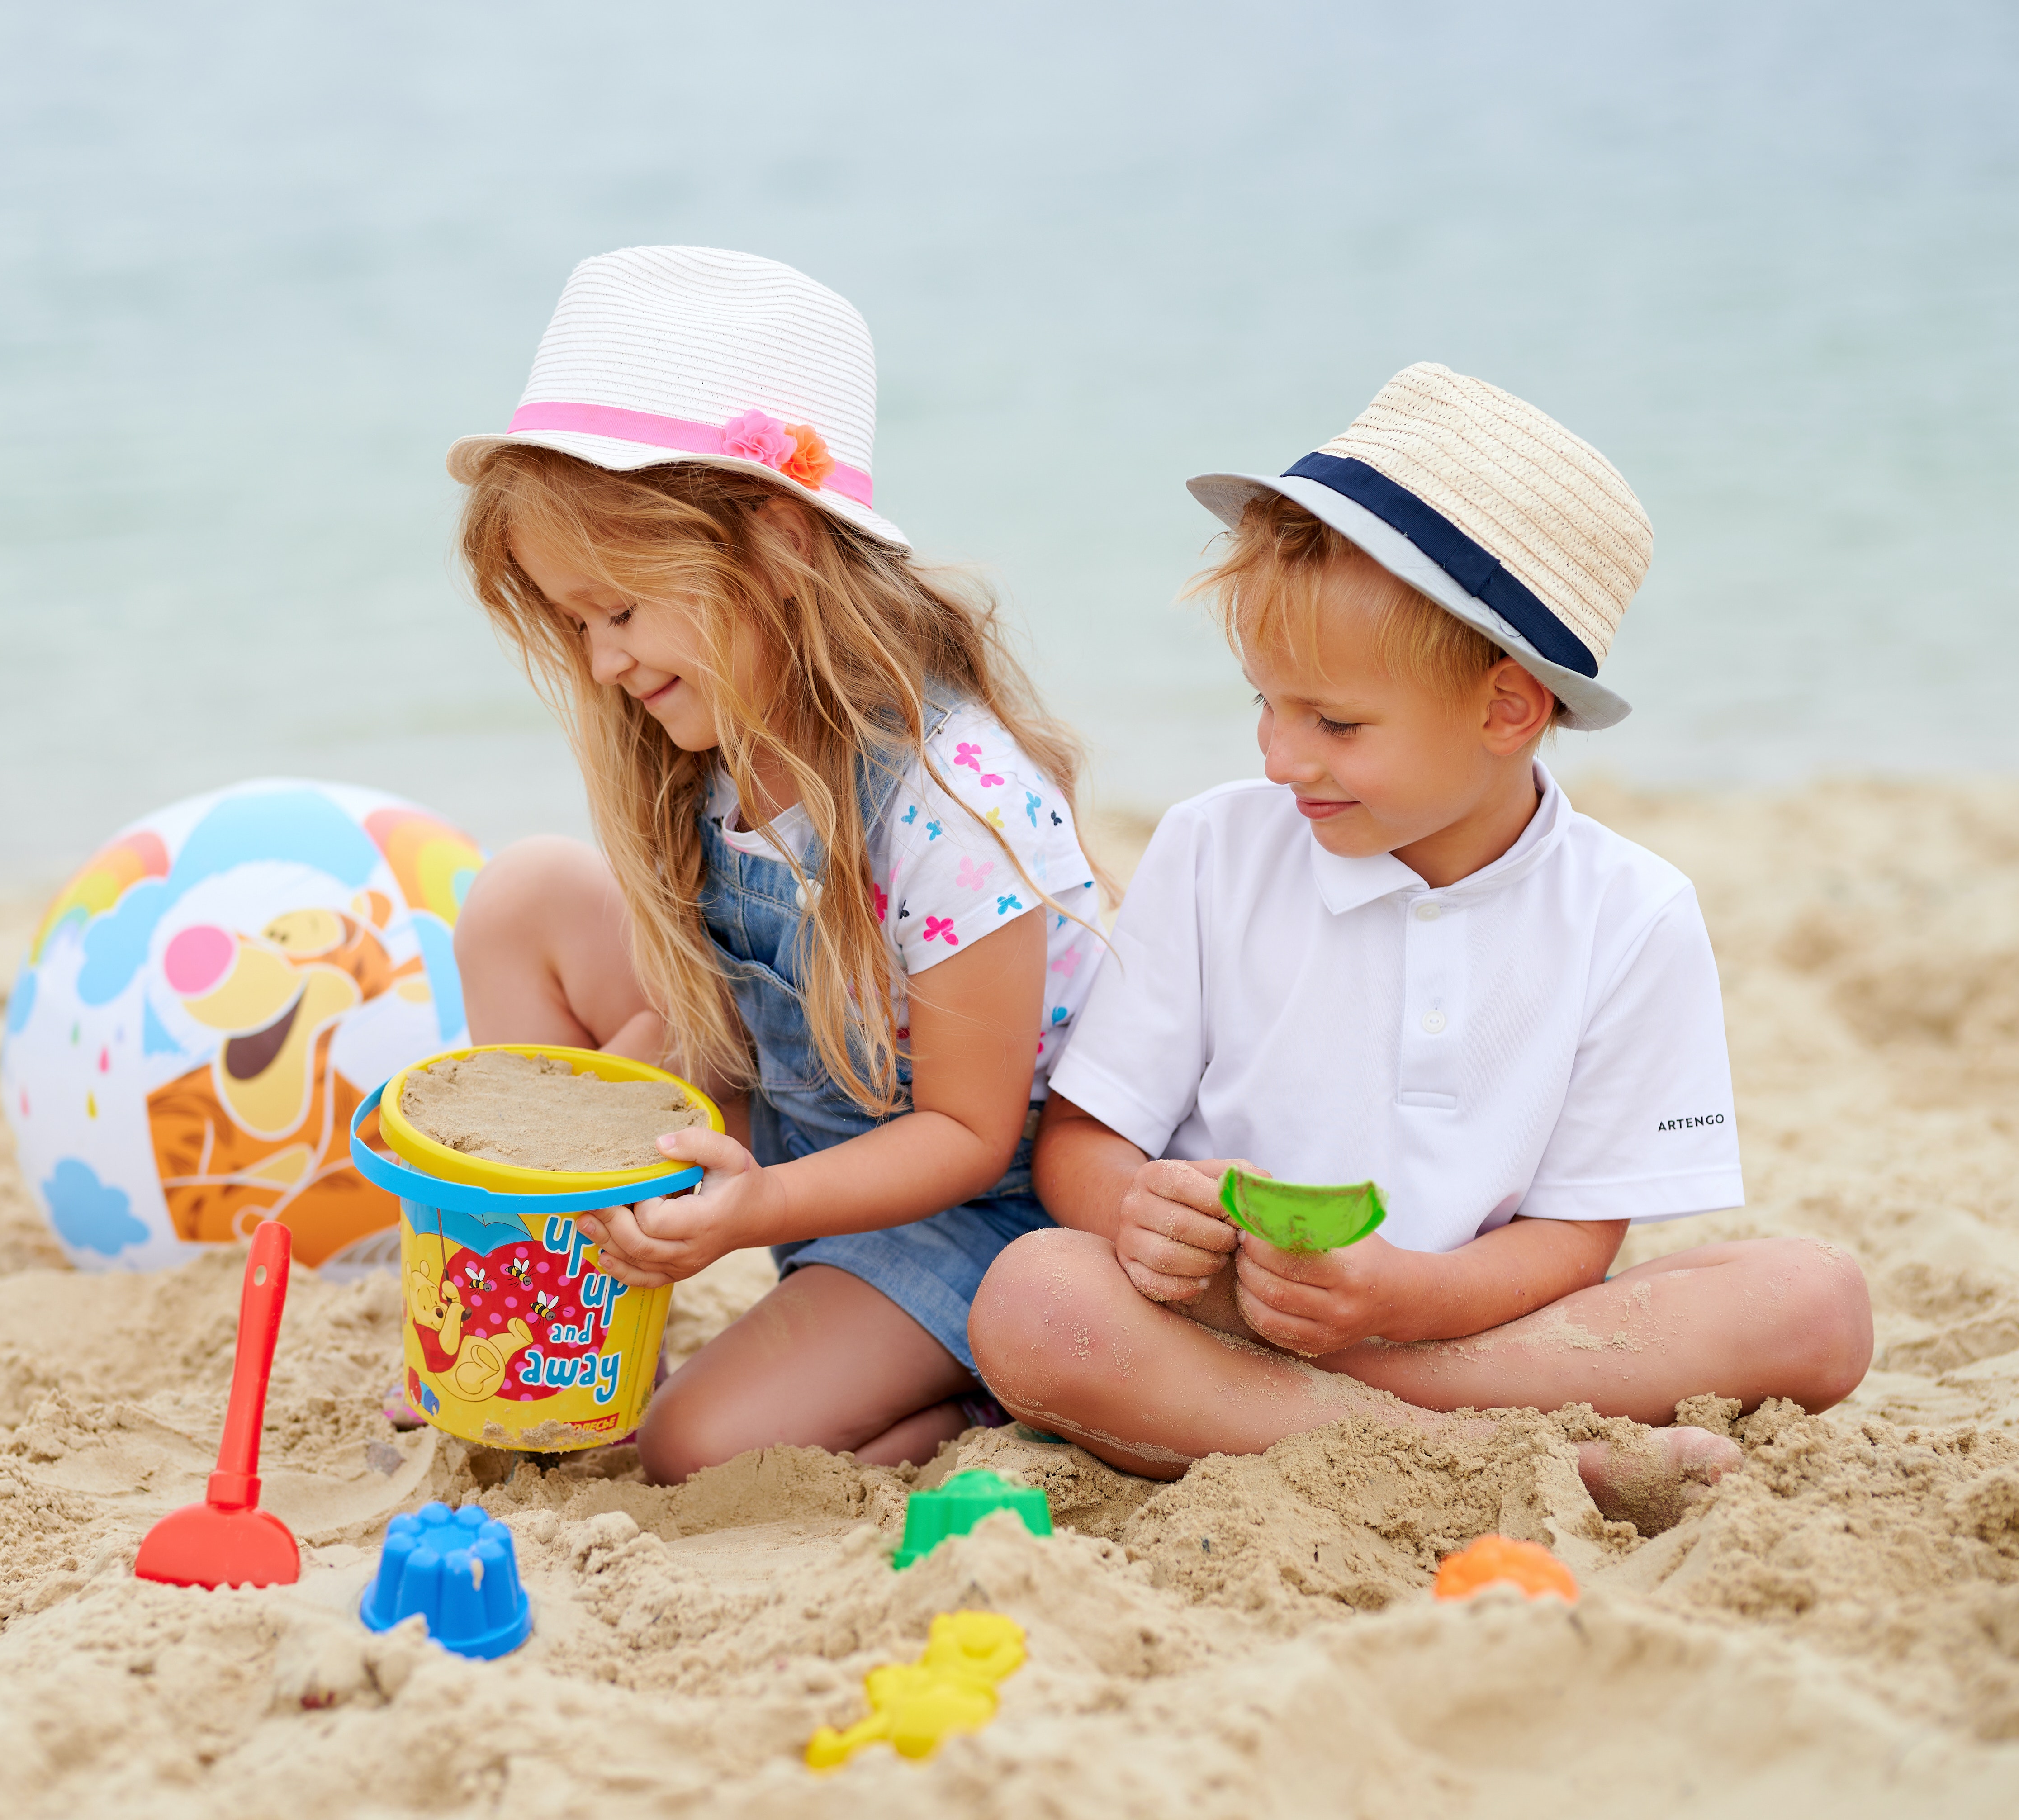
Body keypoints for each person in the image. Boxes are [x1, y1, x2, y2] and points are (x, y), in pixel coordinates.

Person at [967, 363, 1873, 1521]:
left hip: (1481, 1325)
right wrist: (1134, 1210)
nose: (1279, 757)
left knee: (1817, 1299)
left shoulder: (1631, 911)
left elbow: (1576, 1236)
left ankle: (1365, 1416)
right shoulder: (1214, 849)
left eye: (1335, 723)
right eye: (1264, 702)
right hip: (1231, 1315)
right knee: (1035, 1296)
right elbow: (1087, 1139)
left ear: (1507, 710)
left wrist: (1405, 1296)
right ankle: (1515, 1458)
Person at [445, 247, 1103, 1485]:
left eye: (622, 612)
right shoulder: (710, 746)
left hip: (960, 1210)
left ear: (779, 547)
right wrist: (587, 1140)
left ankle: (973, 1395)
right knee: (524, 896)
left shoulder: (955, 807)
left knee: (697, 1447)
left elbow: (966, 1132)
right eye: (577, 623)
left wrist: (753, 1212)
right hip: (798, 1120)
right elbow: (728, 1013)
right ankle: (545, 1295)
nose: (601, 663)